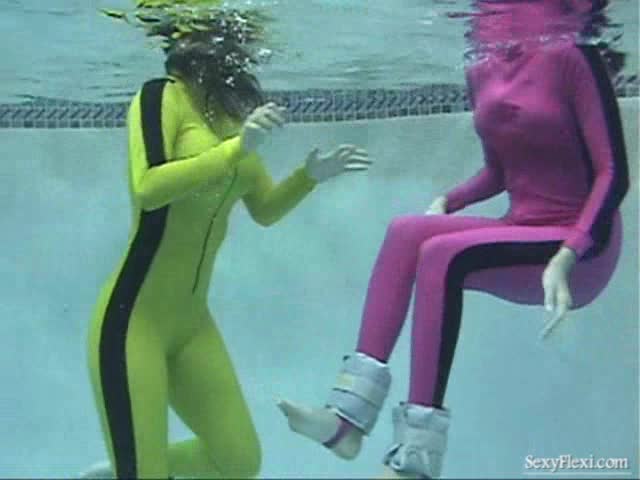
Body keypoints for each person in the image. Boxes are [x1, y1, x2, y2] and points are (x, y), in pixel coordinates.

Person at [278, 1, 629, 478]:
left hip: (584, 245)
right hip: (522, 227)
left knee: (443, 255)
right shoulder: (480, 64)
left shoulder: (572, 55)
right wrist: (450, 200)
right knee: (406, 232)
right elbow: (499, 171)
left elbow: (613, 173)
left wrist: (569, 254)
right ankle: (347, 421)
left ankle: (416, 459)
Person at [82, 3, 370, 479]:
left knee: (239, 461)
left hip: (192, 324)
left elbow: (264, 210)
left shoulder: (229, 121)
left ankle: (129, 466)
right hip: (132, 322)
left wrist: (309, 176)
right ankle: (136, 466)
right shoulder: (160, 96)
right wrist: (237, 149)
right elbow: (148, 187)